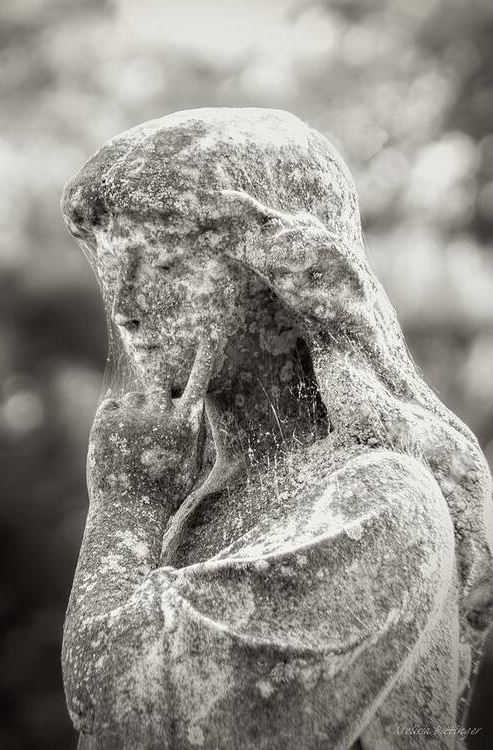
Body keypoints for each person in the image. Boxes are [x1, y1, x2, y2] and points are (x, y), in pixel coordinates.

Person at [60, 108, 493, 749]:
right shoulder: (202, 501)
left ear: (278, 283)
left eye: (169, 266)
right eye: (109, 267)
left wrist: (123, 507)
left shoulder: (377, 501)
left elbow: (134, 713)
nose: (125, 306)